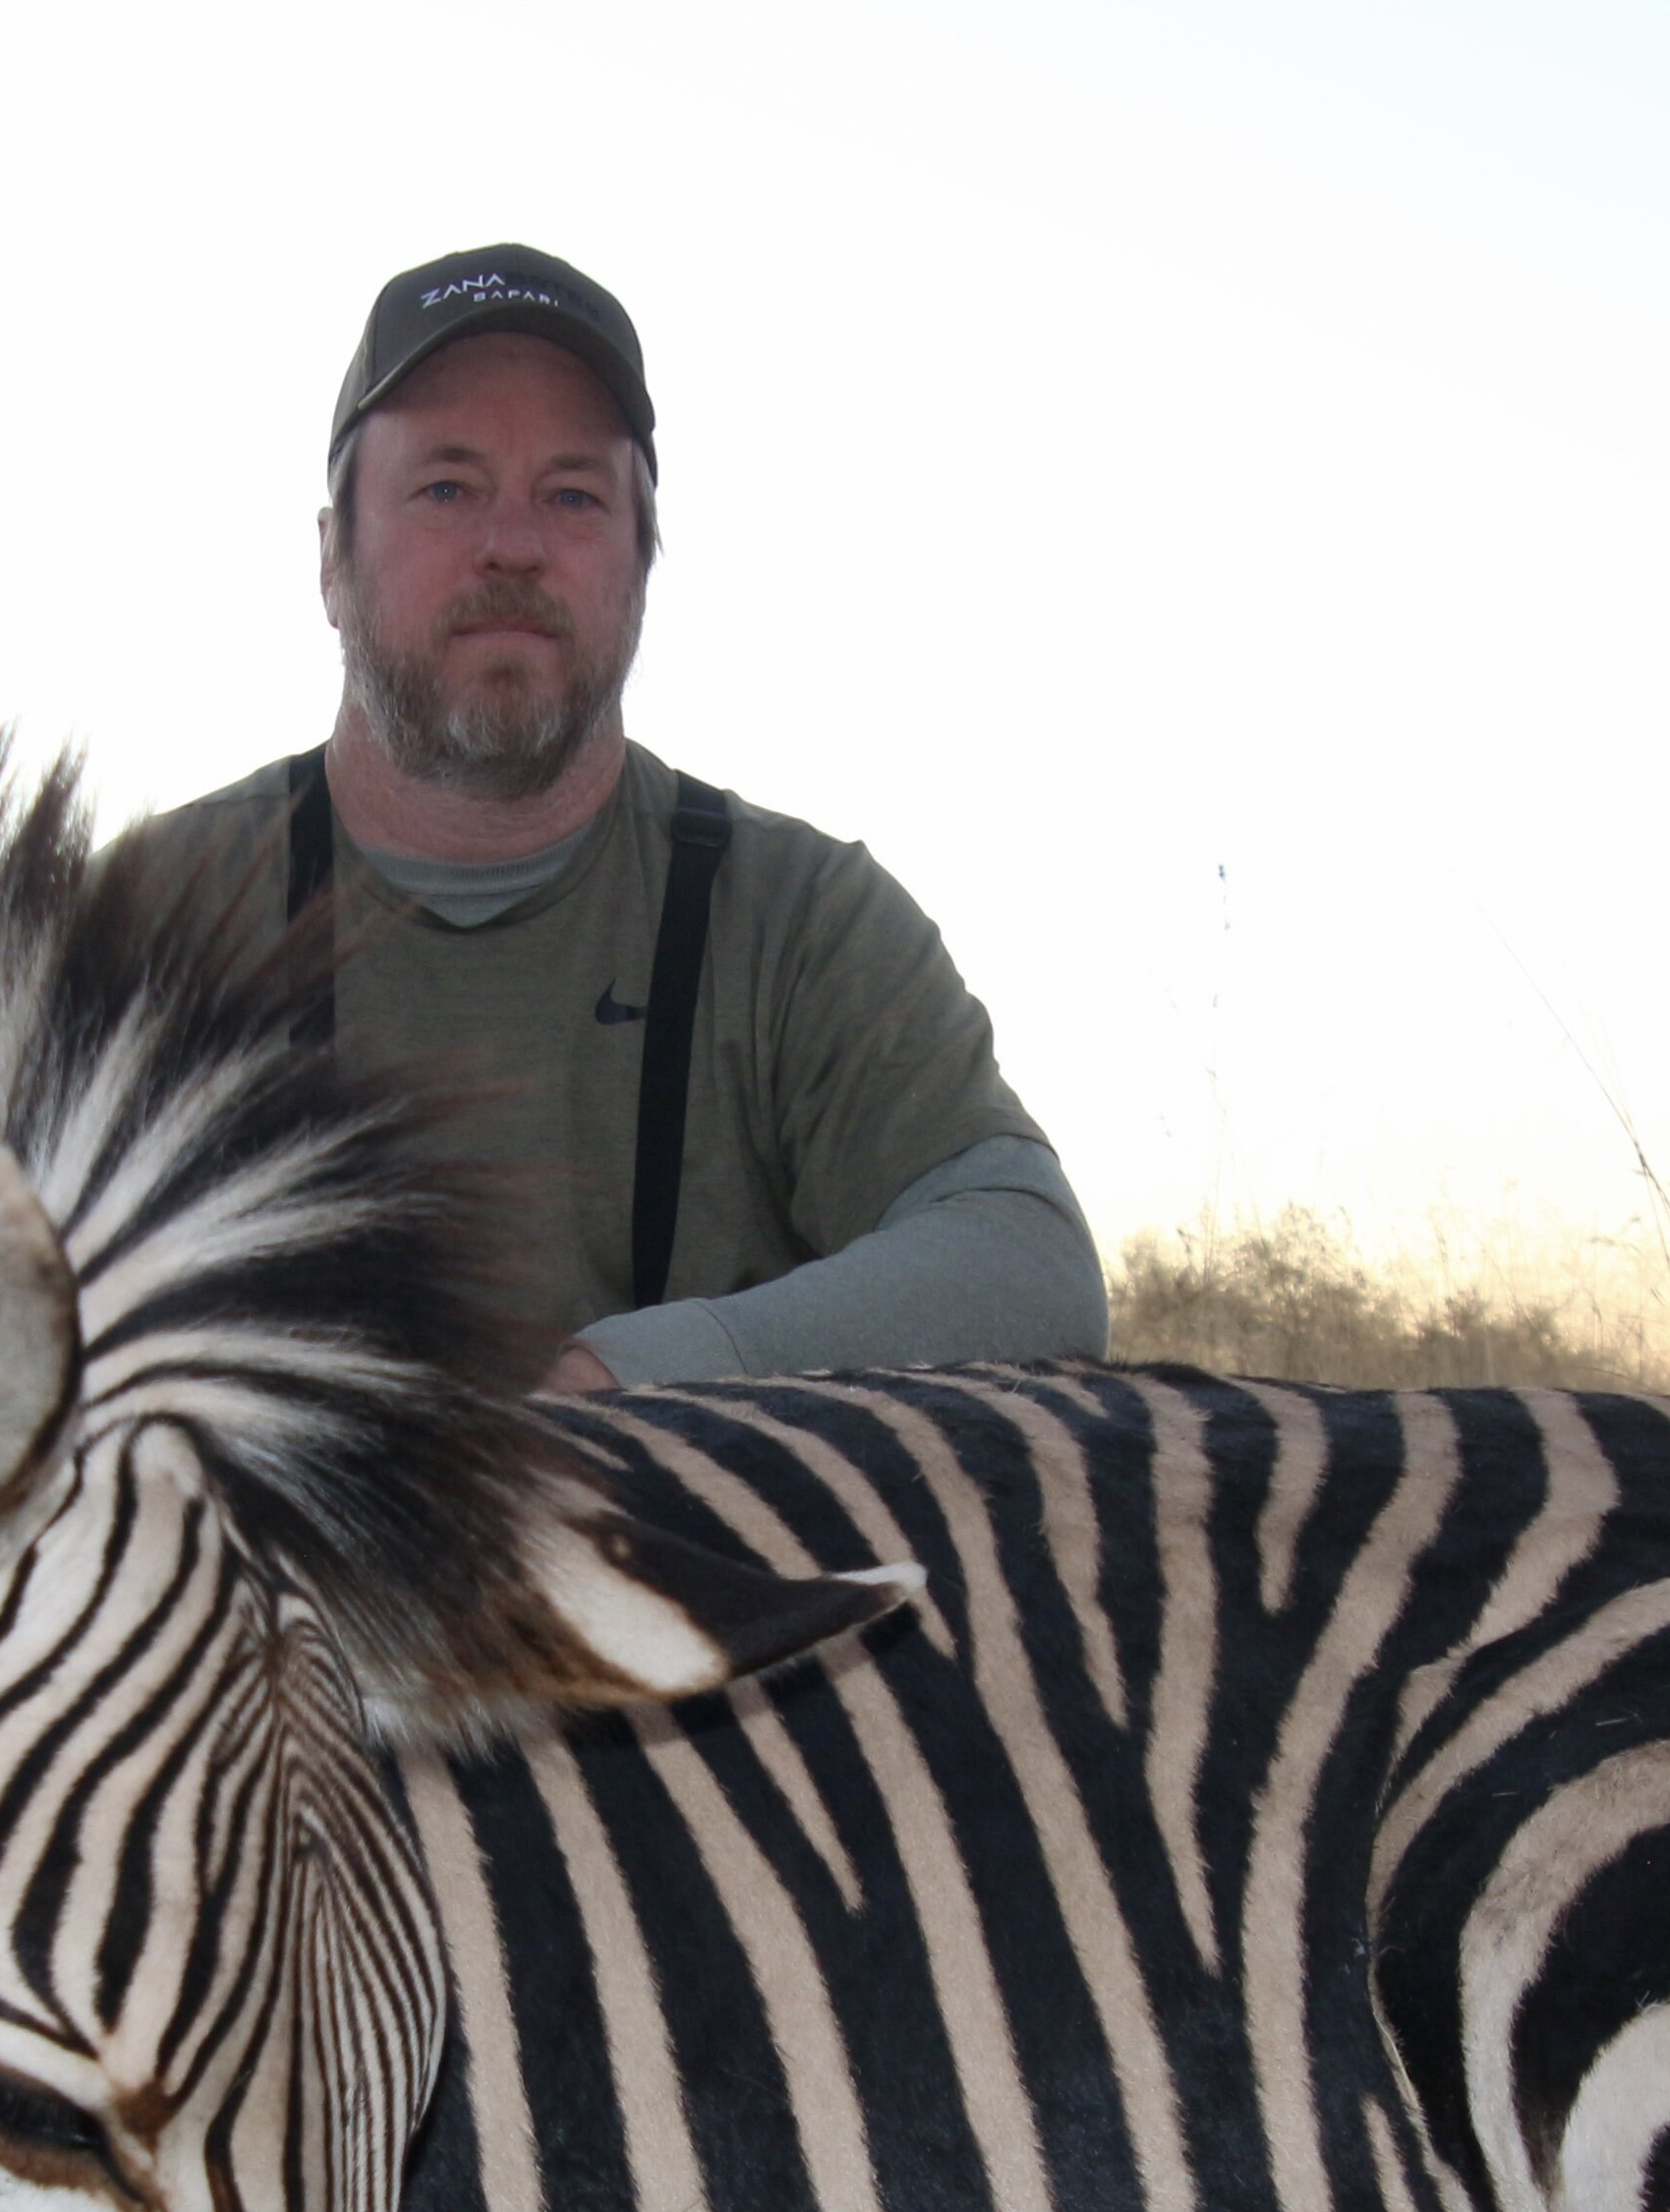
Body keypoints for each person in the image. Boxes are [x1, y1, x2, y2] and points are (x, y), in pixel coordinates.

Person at [139, 245, 1111, 1391]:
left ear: (642, 562)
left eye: (573, 494)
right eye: (447, 487)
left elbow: (1032, 1264)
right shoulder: (151, 917)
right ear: (330, 559)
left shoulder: (800, 919)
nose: (513, 545)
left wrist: (631, 1379)